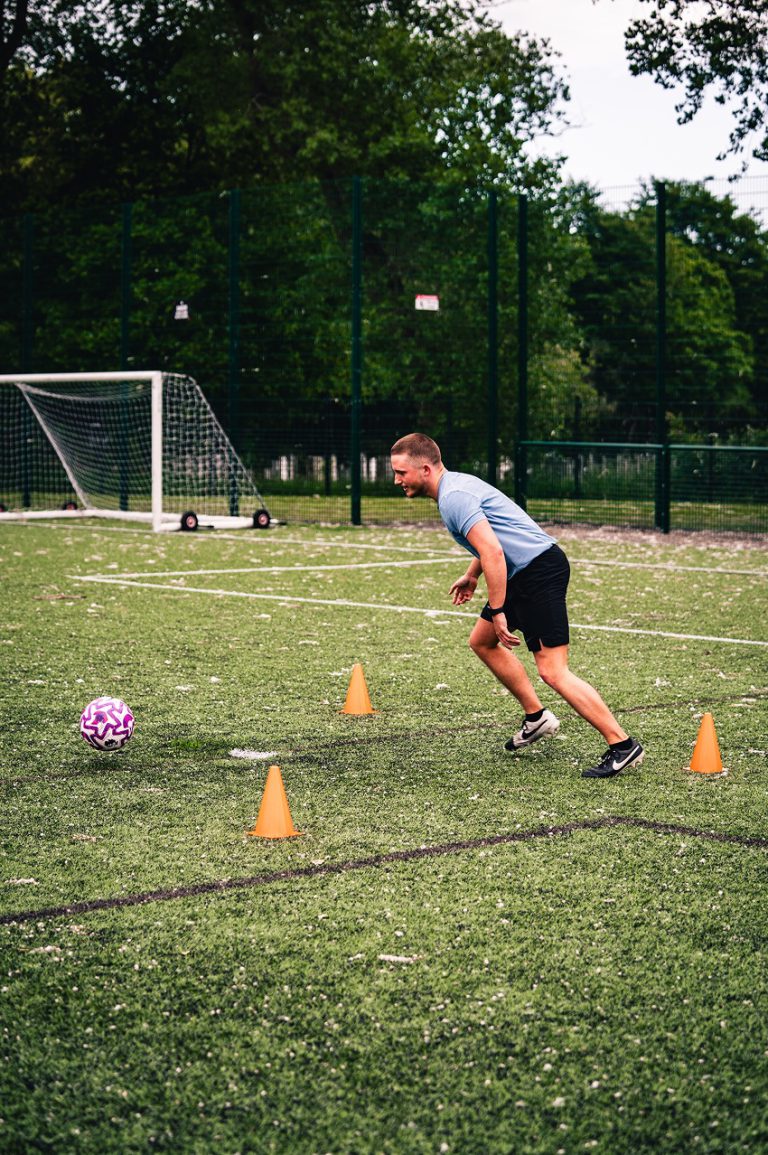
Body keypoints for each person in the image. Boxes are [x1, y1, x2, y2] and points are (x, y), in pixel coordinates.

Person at [390, 432, 644, 779]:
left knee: (553, 670)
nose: (396, 480)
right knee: (481, 641)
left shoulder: (454, 497)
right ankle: (536, 717)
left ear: (424, 468)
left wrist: (498, 611)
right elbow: (492, 541)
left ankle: (622, 745)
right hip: (522, 572)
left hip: (538, 570)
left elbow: (493, 551)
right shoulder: (454, 488)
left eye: (401, 473)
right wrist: (472, 576)